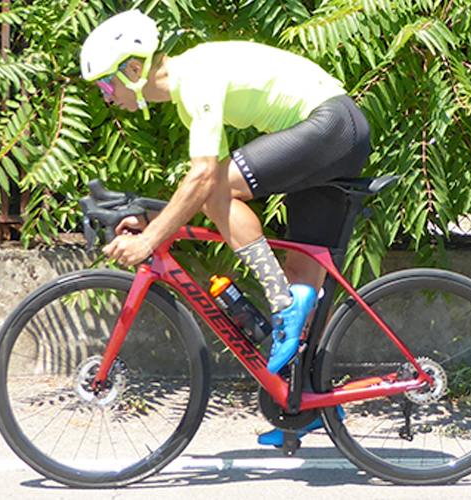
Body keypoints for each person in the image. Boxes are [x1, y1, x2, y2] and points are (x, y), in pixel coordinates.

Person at [80, 10, 371, 446]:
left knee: (218, 190)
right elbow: (202, 187)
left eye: (106, 85)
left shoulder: (195, 77)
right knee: (303, 276)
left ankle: (280, 301)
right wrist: (150, 217)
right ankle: (308, 403)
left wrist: (150, 240)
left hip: (330, 126)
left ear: (133, 69)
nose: (106, 97)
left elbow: (205, 182)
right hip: (329, 137)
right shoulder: (188, 95)